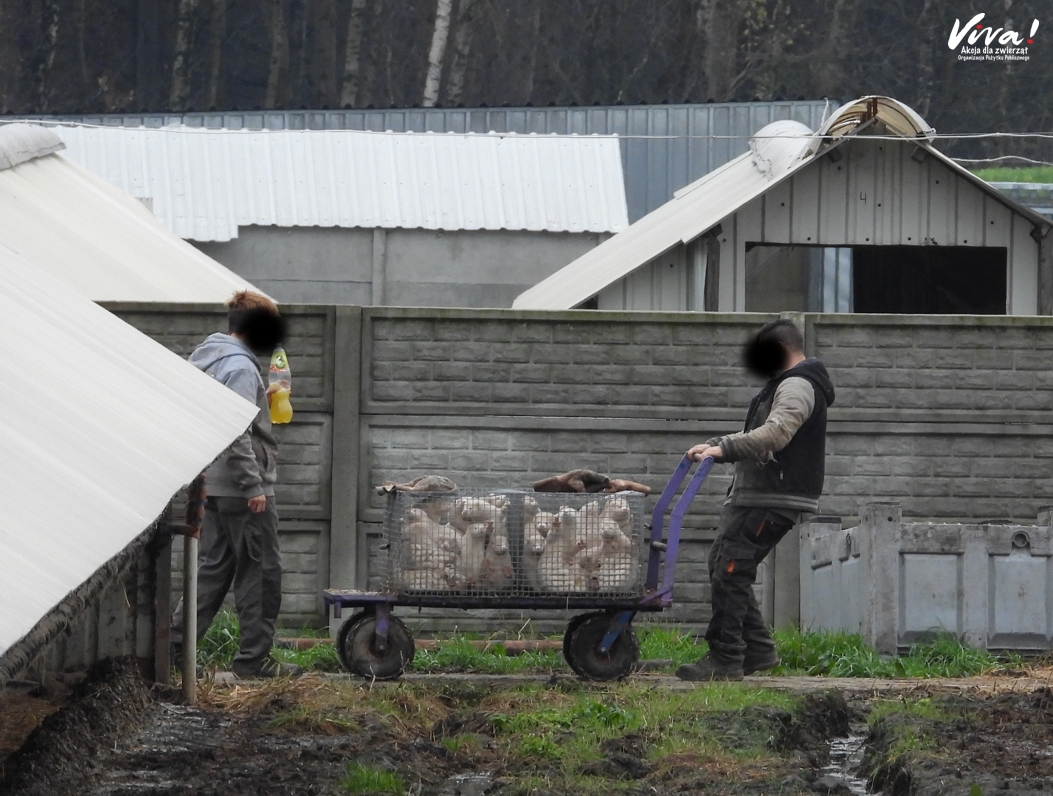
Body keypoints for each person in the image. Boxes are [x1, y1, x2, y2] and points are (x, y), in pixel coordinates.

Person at [676, 319, 835, 682]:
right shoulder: (787, 384)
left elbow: (776, 433)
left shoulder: (798, 385)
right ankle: (759, 650)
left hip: (773, 495)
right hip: (763, 494)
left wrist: (726, 449)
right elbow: (759, 432)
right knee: (724, 563)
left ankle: (726, 658)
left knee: (731, 569)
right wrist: (717, 443)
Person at [172, 291, 301, 679]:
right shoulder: (242, 370)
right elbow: (236, 433)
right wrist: (253, 486)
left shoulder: (209, 359)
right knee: (260, 574)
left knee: (212, 571)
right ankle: (254, 661)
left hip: (212, 484)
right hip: (242, 490)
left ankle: (173, 651)